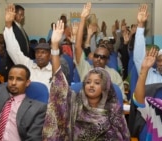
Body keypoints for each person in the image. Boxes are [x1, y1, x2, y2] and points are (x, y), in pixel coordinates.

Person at [42, 6, 130, 140]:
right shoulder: (75, 105)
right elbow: (59, 85)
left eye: (97, 82)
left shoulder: (113, 111)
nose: (91, 85)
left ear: (106, 86)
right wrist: (54, 46)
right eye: (88, 82)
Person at [0, 11, 46, 141]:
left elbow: (34, 138)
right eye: (11, 78)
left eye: (19, 79)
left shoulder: (37, 108)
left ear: (27, 83)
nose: (13, 82)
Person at [74, 2, 126, 101]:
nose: (98, 59)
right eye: (96, 56)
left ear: (107, 60)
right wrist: (82, 19)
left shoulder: (114, 74)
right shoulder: (85, 68)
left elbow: (121, 97)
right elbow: (77, 47)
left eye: (102, 57)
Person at [134, 4, 162, 85]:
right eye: (159, 60)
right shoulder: (147, 73)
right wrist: (141, 25)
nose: (161, 63)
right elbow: (138, 56)